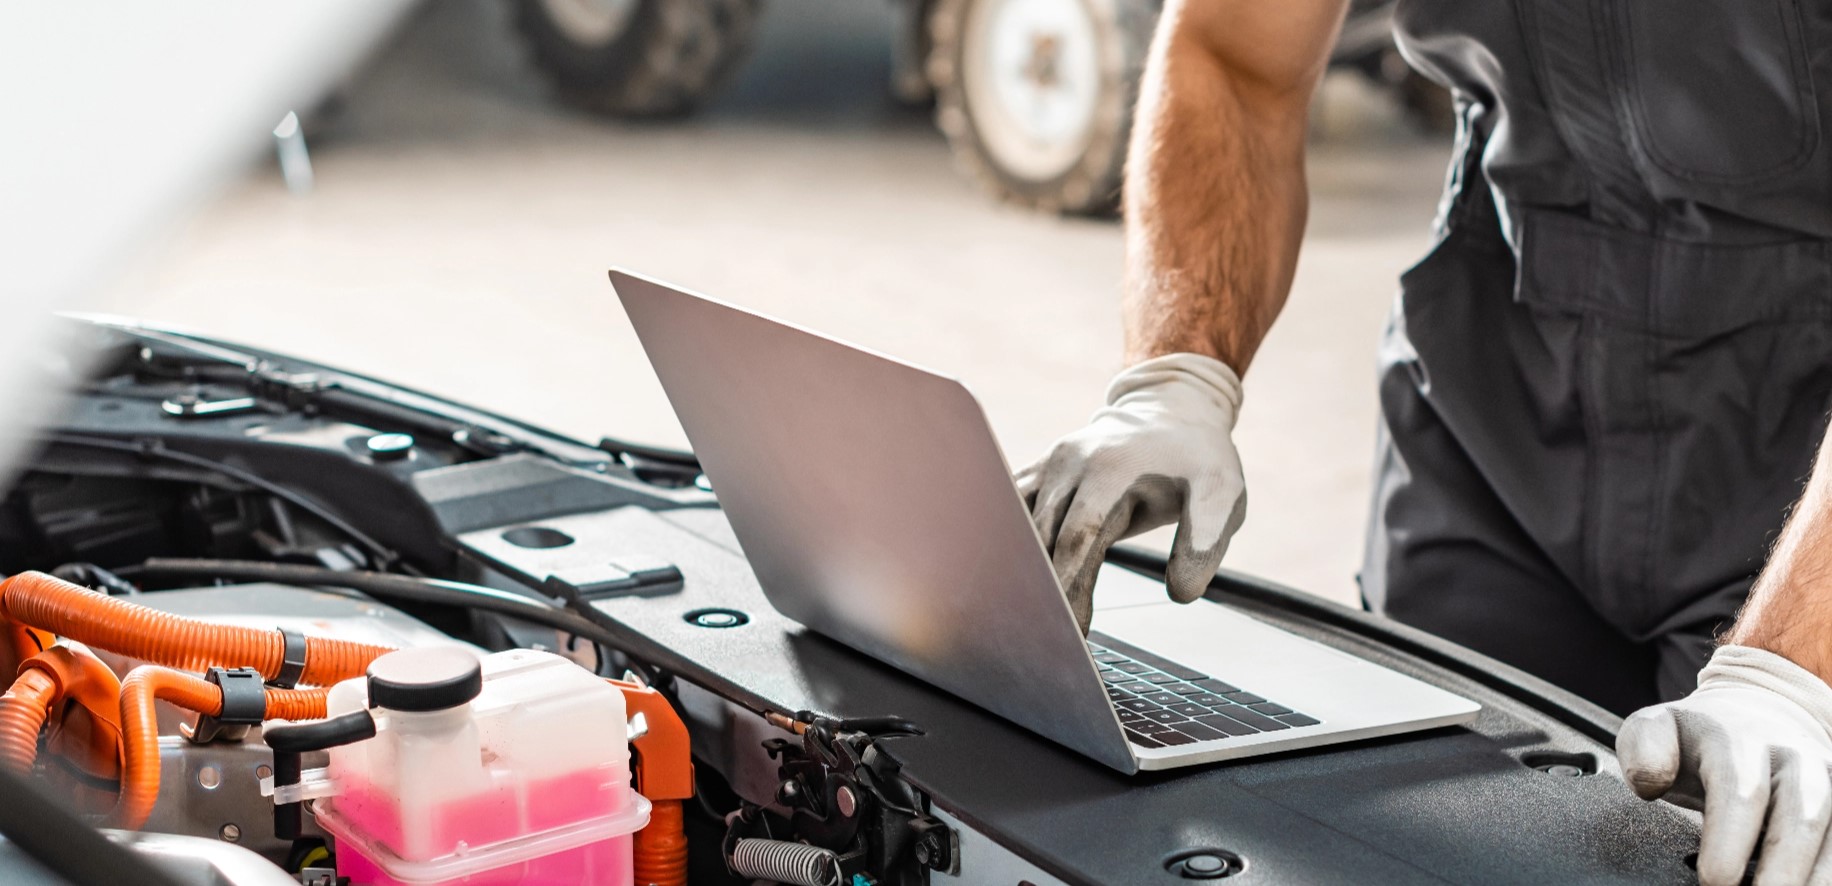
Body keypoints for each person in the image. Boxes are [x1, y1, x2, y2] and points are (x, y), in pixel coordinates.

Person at [1016, 1, 1832, 883]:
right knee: (1400, 831)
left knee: (1749, 847)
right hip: (1491, 400)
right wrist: (1176, 380)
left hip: (1797, 453)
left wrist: (1795, 669)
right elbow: (1235, 57)